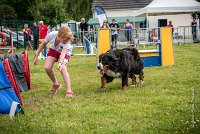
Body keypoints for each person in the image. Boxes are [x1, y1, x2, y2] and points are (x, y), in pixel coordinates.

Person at [34, 26, 74, 97]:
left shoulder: (67, 42)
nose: (65, 42)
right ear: (59, 36)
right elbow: (43, 44)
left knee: (63, 68)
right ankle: (56, 84)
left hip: (65, 52)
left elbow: (63, 53)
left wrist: (60, 63)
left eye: (66, 41)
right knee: (47, 67)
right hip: (53, 50)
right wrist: (36, 55)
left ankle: (69, 90)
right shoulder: (52, 35)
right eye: (64, 41)